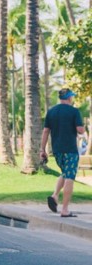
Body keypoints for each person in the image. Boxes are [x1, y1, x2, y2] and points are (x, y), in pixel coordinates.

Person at [41, 88, 87, 218]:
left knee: (65, 172)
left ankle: (54, 196)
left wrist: (42, 150)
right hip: (70, 150)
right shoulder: (74, 111)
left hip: (57, 150)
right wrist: (82, 128)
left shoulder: (51, 112)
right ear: (69, 98)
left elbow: (45, 131)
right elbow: (80, 130)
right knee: (70, 178)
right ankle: (65, 210)